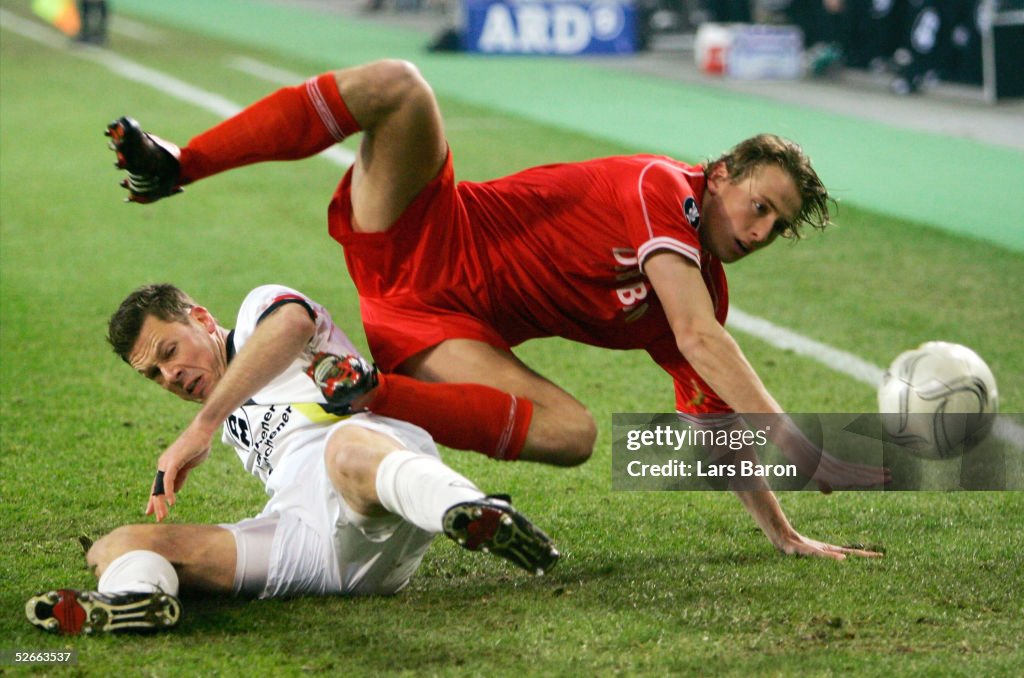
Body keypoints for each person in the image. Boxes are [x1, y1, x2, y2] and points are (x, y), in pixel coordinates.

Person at [106, 58, 887, 560]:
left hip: (438, 336)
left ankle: (366, 390)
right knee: (399, 87)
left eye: (777, 226)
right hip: (426, 233)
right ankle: (182, 163)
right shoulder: (663, 190)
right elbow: (702, 339)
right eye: (758, 205)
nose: (759, 231)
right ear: (718, 177)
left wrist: (785, 534)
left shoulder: (699, 289)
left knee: (575, 434)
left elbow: (718, 427)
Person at [25, 283, 559, 635]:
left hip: (377, 485)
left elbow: (293, 326)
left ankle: (471, 510)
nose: (170, 376)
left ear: (202, 319)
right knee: (118, 544)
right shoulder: (231, 421)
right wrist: (214, 420)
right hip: (310, 540)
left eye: (169, 352)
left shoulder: (257, 317)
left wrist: (202, 424)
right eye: (154, 374)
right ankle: (135, 603)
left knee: (344, 449)